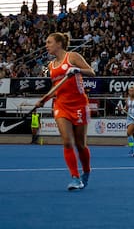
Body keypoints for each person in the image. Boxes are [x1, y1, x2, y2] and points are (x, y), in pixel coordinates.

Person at [34, 31, 95, 191]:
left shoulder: (72, 57)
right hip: (61, 105)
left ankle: (86, 171)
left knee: (81, 145)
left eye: (49, 42)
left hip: (79, 104)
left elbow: (91, 72)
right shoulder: (51, 66)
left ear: (59, 44)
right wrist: (44, 99)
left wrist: (77, 70)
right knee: (67, 141)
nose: (46, 45)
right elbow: (56, 88)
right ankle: (75, 177)